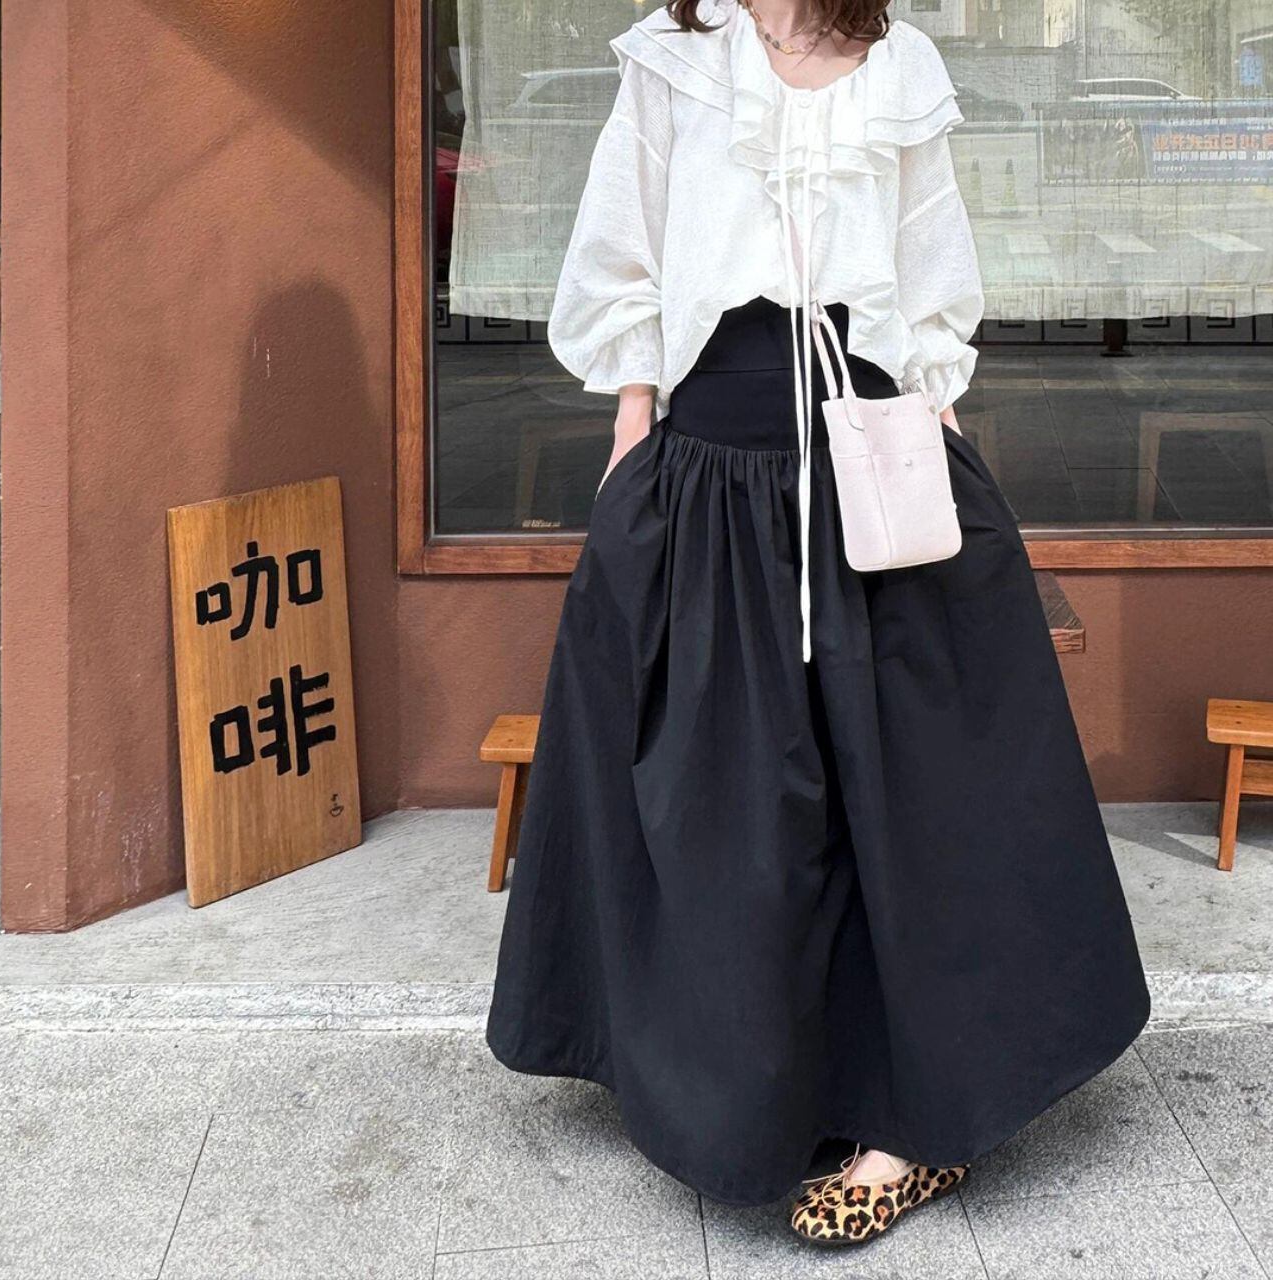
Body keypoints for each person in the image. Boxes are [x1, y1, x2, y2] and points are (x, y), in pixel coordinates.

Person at [486, 0, 1149, 1246]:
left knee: (909, 794)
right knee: (737, 796)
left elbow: (928, 268)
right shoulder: (673, 59)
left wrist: (942, 442)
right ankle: (757, 1101)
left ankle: (916, 1119)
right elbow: (623, 246)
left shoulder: (898, 63)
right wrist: (632, 440)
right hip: (713, 462)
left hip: (870, 458)